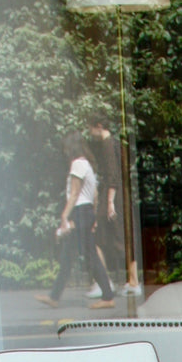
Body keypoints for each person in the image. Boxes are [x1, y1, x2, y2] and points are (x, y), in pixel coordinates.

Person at [36, 132, 114, 309]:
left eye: (65, 147)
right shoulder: (87, 165)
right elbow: (94, 195)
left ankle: (108, 297)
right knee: (71, 256)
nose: (64, 151)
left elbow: (75, 193)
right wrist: (92, 217)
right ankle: (55, 297)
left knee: (87, 257)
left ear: (71, 147)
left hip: (79, 211)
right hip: (85, 212)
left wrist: (65, 215)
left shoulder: (77, 164)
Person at [86, 117, 127, 294]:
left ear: (99, 126)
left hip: (110, 197)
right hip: (112, 196)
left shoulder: (107, 144)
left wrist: (110, 201)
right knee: (111, 238)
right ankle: (118, 281)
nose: (89, 132)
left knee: (98, 237)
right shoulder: (112, 143)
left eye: (90, 128)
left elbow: (112, 175)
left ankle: (104, 282)